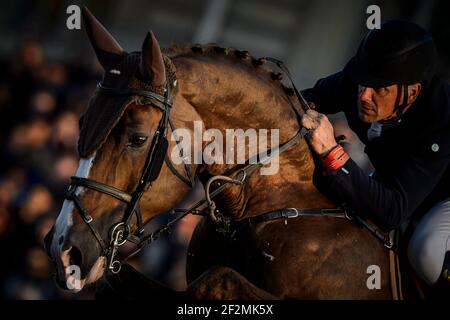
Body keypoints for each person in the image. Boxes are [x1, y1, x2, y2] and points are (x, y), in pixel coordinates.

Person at [301, 20, 450, 291]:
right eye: (362, 83)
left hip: (444, 195)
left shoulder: (440, 119)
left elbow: (392, 211)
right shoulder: (357, 82)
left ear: (412, 92)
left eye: (380, 88)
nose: (364, 96)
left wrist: (332, 153)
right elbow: (300, 103)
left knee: (426, 252)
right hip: (399, 176)